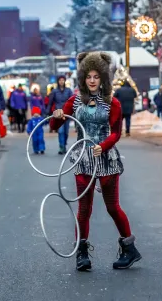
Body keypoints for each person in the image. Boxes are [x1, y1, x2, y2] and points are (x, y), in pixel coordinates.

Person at [50, 51, 141, 272]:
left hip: (106, 159)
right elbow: (54, 127)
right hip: (82, 160)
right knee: (84, 209)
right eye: (88, 76)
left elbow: (117, 133)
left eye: (96, 76)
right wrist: (57, 116)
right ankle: (81, 254)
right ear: (83, 78)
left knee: (112, 207)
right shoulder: (75, 100)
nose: (92, 80)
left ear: (103, 78)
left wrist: (104, 146)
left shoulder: (113, 103)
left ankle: (130, 249)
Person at [47, 75, 73, 154]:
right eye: (60, 80)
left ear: (65, 81)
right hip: (58, 114)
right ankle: (61, 146)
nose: (61, 81)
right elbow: (50, 102)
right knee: (61, 131)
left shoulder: (68, 90)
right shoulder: (54, 91)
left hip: (67, 114)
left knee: (66, 132)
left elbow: (72, 102)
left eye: (63, 80)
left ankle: (64, 144)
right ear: (58, 81)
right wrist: (48, 112)